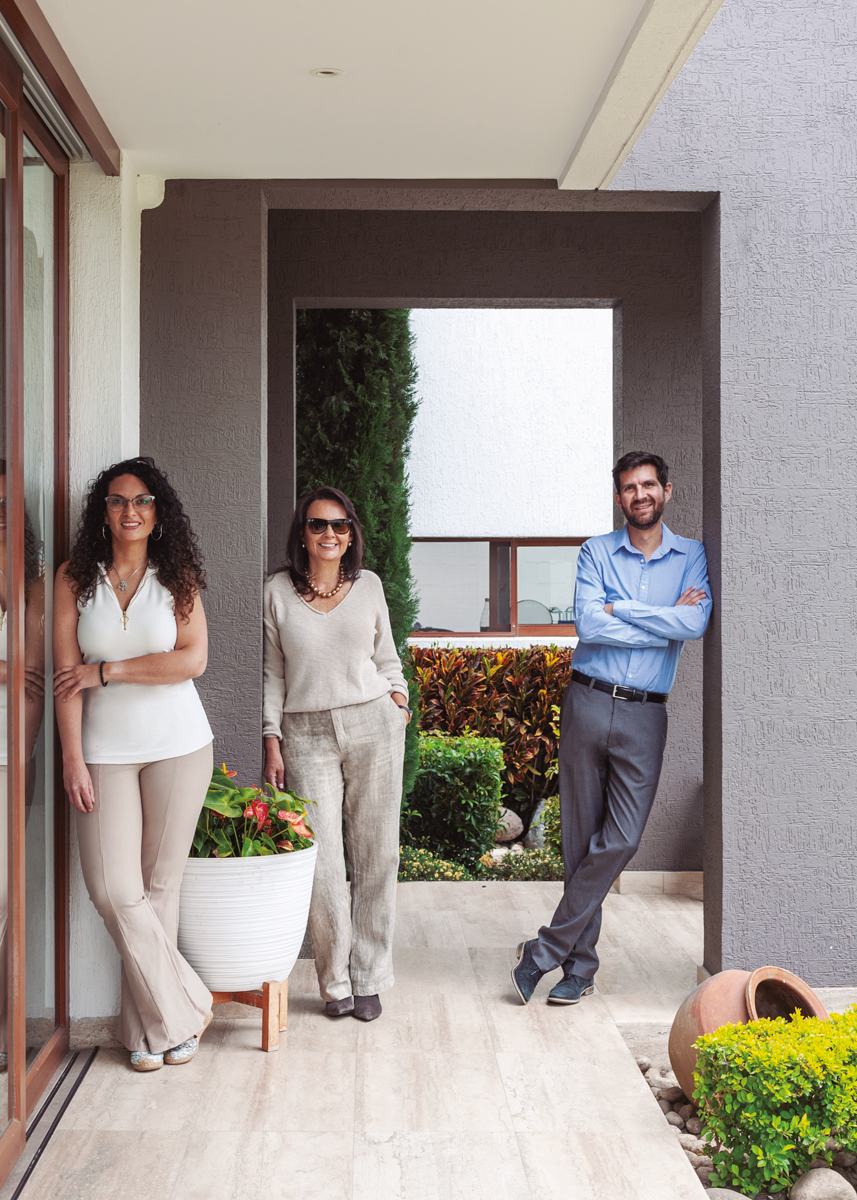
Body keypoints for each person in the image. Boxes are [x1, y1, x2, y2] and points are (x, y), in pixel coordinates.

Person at [512, 451, 711, 1005]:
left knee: (622, 837)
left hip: (646, 713)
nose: (639, 494)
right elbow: (589, 624)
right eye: (629, 487)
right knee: (580, 840)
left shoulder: (692, 555)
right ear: (619, 496)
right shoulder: (596, 551)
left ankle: (543, 951)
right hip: (588, 701)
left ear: (666, 491)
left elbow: (695, 622)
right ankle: (580, 969)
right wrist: (662, 621)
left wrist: (620, 609)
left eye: (648, 485)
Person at [53, 457, 214, 1071]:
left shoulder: (178, 576)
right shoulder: (75, 578)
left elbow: (192, 659)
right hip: (103, 751)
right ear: (104, 511)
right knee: (113, 890)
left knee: (158, 887)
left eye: (142, 501)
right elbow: (66, 680)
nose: (130, 511)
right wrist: (72, 757)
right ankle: (187, 1008)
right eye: (118, 500)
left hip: (179, 744)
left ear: (157, 512)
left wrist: (108, 671)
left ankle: (149, 1034)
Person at [262, 486, 410, 1023]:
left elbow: (387, 657)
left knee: (377, 854)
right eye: (318, 524)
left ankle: (369, 977)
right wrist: (271, 736)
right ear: (302, 534)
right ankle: (335, 981)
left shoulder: (369, 586)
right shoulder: (277, 592)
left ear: (351, 535)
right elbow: (273, 672)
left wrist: (399, 702)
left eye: (340, 525)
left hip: (373, 723)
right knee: (322, 863)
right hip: (305, 733)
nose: (330, 533)